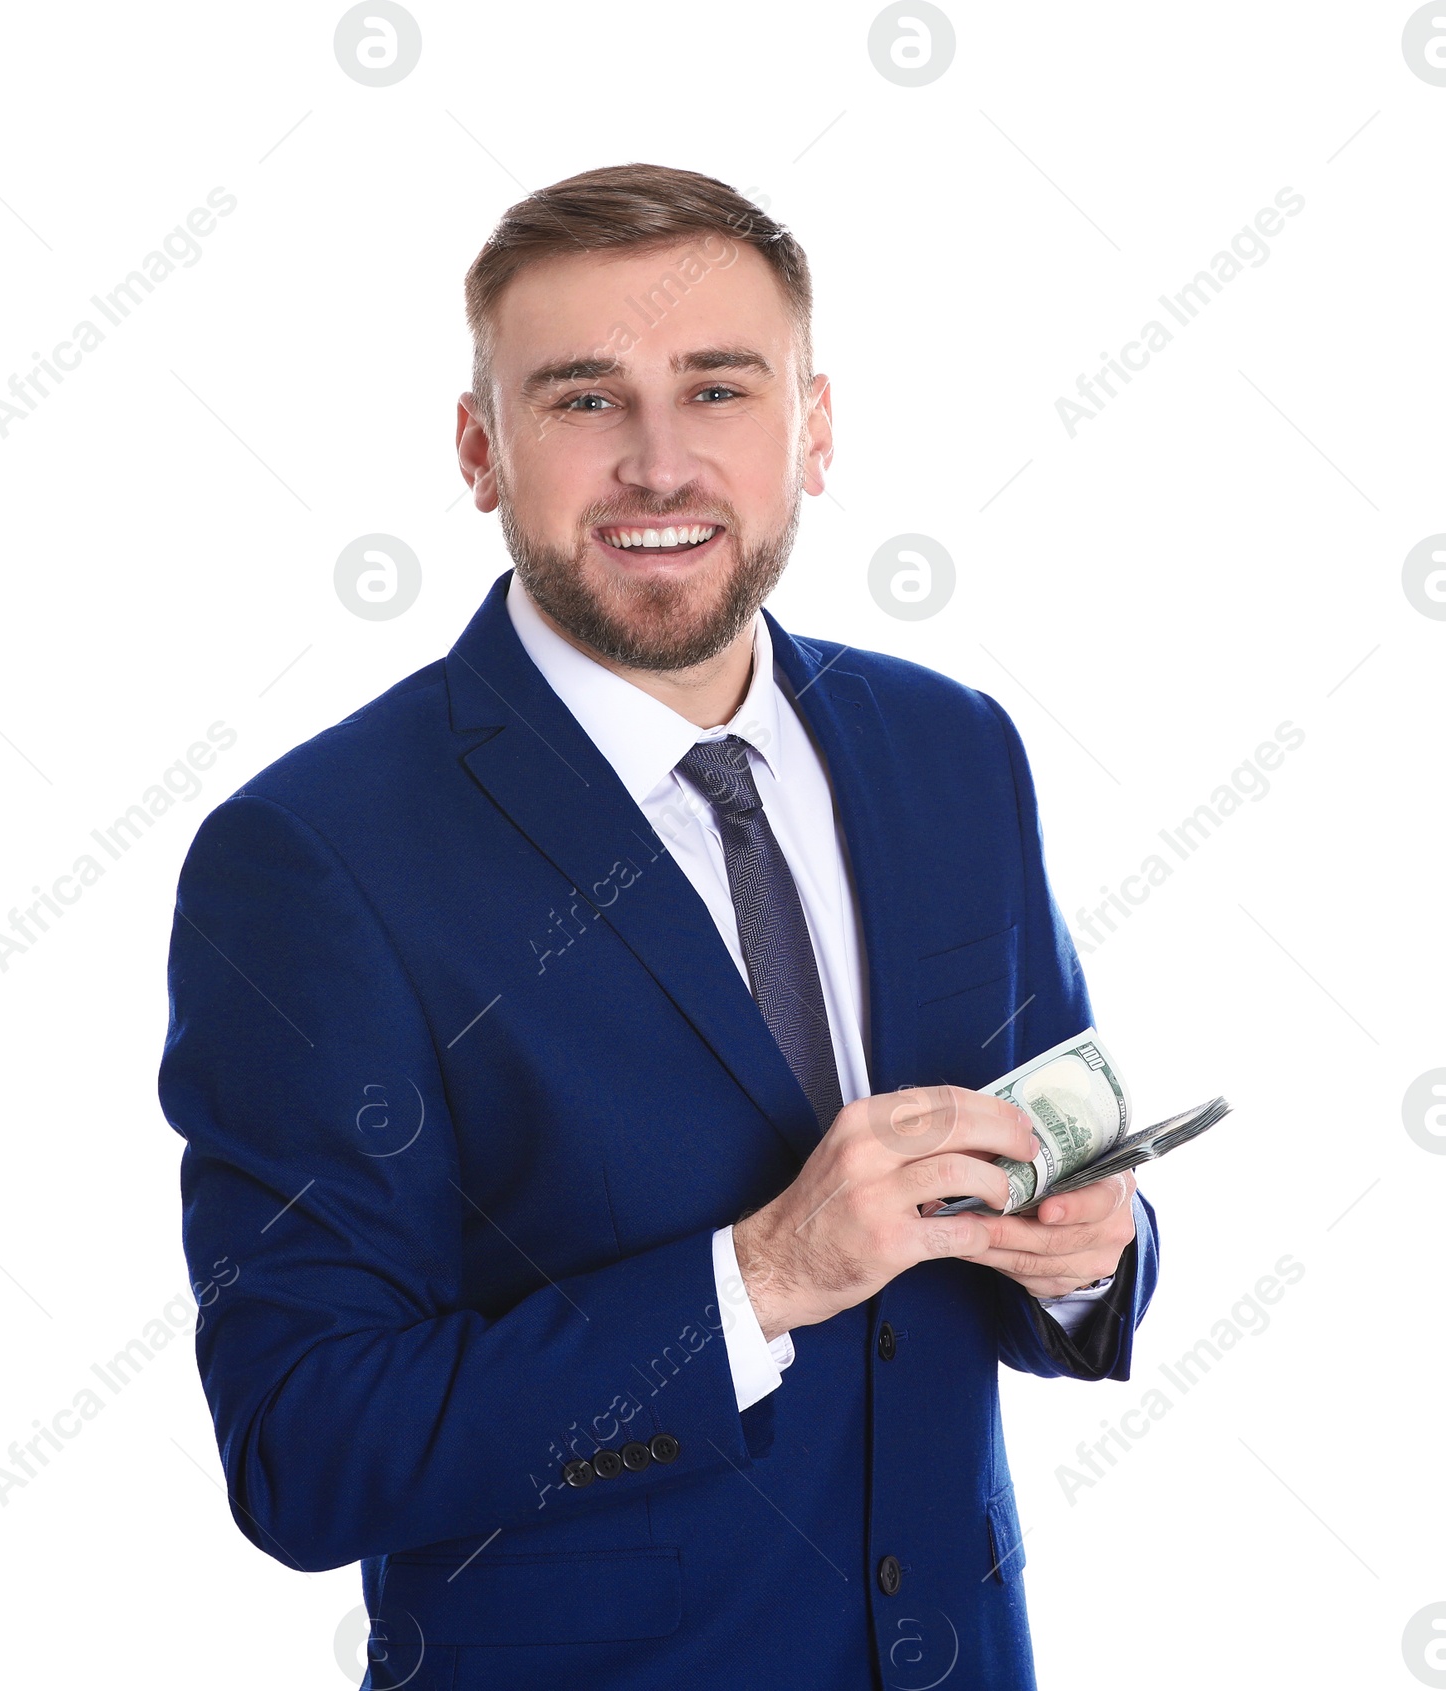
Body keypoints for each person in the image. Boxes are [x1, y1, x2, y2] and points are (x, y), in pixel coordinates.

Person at [158, 162, 1156, 1691]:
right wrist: (757, 1281)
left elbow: (1055, 1200)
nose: (660, 462)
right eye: (583, 401)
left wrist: (1090, 1253)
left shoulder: (955, 752)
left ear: (814, 430)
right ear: (482, 451)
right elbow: (306, 1445)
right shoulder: (314, 858)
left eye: (718, 389)